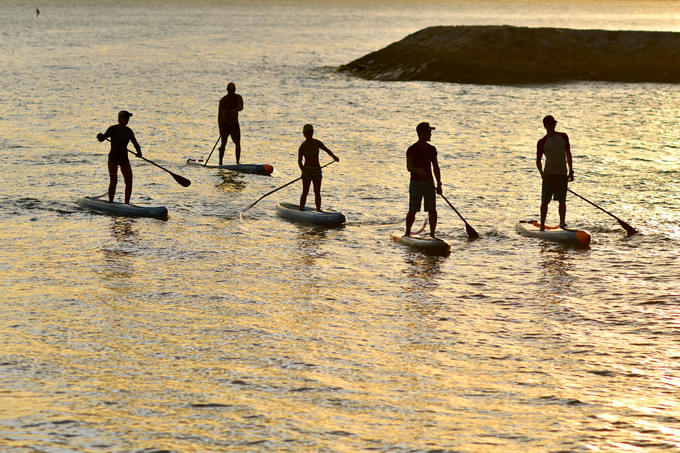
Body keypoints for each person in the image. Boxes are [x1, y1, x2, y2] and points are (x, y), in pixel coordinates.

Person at [536, 115, 574, 230]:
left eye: (553, 124)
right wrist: (542, 174)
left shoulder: (563, 137)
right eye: (550, 125)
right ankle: (542, 226)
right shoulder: (542, 142)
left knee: (562, 201)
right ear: (545, 126)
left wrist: (571, 170)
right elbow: (538, 160)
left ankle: (562, 223)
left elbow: (568, 154)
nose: (552, 127)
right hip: (549, 175)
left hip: (562, 174)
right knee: (545, 202)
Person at [405, 122, 442, 238]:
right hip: (416, 183)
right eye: (428, 132)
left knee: (432, 210)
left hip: (429, 184)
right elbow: (409, 167)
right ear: (421, 134)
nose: (430, 134)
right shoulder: (412, 149)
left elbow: (435, 167)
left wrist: (439, 184)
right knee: (413, 210)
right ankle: (407, 233)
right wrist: (417, 170)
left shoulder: (432, 149)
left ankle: (432, 235)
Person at [97, 110, 142, 204]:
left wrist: (139, 152)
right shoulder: (112, 129)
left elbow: (135, 143)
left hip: (124, 158)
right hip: (113, 158)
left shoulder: (129, 131)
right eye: (125, 118)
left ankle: (126, 204)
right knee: (114, 182)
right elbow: (102, 139)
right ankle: (110, 203)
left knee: (129, 182)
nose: (127, 120)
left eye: (128, 118)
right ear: (120, 119)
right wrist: (100, 136)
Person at [298, 124, 339, 211]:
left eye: (310, 132)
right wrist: (303, 171)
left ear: (312, 133)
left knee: (317, 192)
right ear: (304, 134)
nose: (309, 134)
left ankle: (318, 209)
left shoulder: (317, 143)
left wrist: (334, 157)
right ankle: (301, 209)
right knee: (305, 191)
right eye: (307, 133)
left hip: (317, 171)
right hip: (307, 171)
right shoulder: (303, 146)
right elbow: (299, 161)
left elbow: (327, 150)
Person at [217, 82, 243, 165]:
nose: (231, 91)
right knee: (223, 144)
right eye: (230, 90)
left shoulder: (238, 97)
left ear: (235, 90)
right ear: (227, 90)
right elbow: (219, 116)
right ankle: (220, 162)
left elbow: (241, 107)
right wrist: (220, 129)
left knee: (237, 143)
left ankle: (237, 162)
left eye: (233, 90)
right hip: (225, 125)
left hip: (234, 125)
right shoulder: (223, 100)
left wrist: (235, 110)